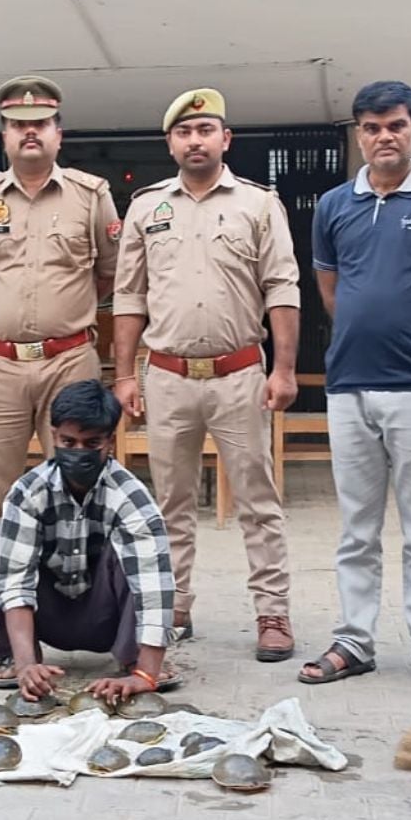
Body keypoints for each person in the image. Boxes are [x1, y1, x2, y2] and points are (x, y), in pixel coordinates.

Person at [296, 81, 411, 695]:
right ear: (359, 134)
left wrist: (410, 323)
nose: (385, 137)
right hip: (348, 385)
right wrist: (368, 324)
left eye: (396, 125)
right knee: (357, 525)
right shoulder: (333, 206)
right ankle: (354, 639)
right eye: (373, 127)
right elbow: (331, 290)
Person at [112, 88, 300, 663]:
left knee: (257, 499)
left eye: (206, 130)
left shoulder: (259, 204)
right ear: (170, 143)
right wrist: (124, 374)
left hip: (238, 374)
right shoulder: (146, 207)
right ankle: (174, 606)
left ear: (226, 139)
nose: (196, 141)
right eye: (185, 133)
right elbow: (129, 295)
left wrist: (286, 369)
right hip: (166, 376)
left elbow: (282, 286)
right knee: (170, 503)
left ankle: (272, 613)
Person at [0, 76, 121, 664]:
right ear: (4, 134)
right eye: (19, 124)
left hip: (70, 357)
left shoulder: (90, 195)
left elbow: (108, 275)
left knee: (83, 485)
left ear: (57, 132)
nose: (30, 132)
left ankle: (90, 598)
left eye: (40, 123)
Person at [0, 379, 179, 699]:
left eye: (91, 443)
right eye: (68, 442)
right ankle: (18, 657)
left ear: (110, 441)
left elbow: (154, 585)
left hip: (106, 617)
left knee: (129, 551)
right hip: (47, 613)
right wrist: (28, 665)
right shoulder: (28, 492)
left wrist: (147, 675)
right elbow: (16, 581)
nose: (78, 452)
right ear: (53, 436)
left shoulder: (131, 497)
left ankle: (133, 660)